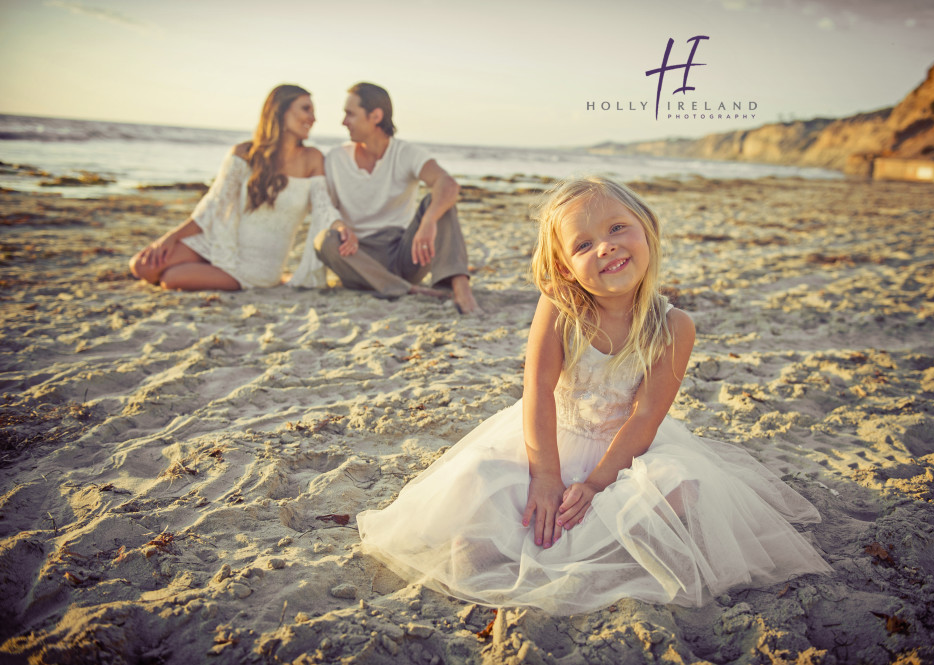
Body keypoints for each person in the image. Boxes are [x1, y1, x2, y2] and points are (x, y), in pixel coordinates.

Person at [357, 176, 832, 614]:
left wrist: (595, 485)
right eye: (583, 244)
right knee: (481, 480)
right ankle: (525, 546)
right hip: (550, 439)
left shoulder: (673, 326)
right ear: (565, 265)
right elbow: (537, 390)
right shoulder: (560, 307)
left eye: (618, 228)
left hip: (624, 453)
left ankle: (604, 553)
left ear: (646, 229)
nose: (605, 246)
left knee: (680, 490)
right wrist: (546, 475)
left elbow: (646, 417)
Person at [129, 84, 352, 290]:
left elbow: (323, 206)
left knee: (171, 278)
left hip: (257, 267)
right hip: (224, 243)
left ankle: (274, 278)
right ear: (280, 112)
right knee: (141, 266)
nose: (313, 118)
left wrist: (341, 227)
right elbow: (215, 204)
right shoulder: (244, 153)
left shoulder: (311, 158)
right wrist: (171, 237)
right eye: (306, 109)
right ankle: (209, 266)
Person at [313, 82, 478, 313]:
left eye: (350, 114)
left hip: (404, 254)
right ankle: (407, 289)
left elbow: (447, 183)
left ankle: (461, 289)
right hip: (357, 257)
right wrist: (340, 227)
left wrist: (429, 221)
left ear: (376, 116)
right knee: (325, 240)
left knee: (440, 202)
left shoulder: (405, 152)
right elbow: (325, 208)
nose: (343, 121)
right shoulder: (335, 158)